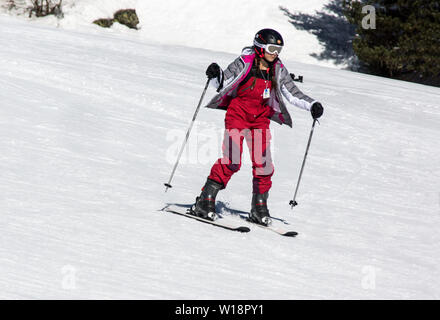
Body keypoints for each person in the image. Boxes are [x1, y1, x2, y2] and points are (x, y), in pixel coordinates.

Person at [191, 28, 324, 225]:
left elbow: (292, 92)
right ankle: (205, 199)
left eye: (278, 49)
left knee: (264, 165)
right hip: (238, 114)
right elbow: (223, 81)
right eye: (272, 48)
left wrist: (312, 104)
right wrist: (215, 74)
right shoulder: (244, 62)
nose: (275, 53)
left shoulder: (277, 68)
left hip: (260, 119)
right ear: (260, 46)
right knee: (232, 161)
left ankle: (259, 207)